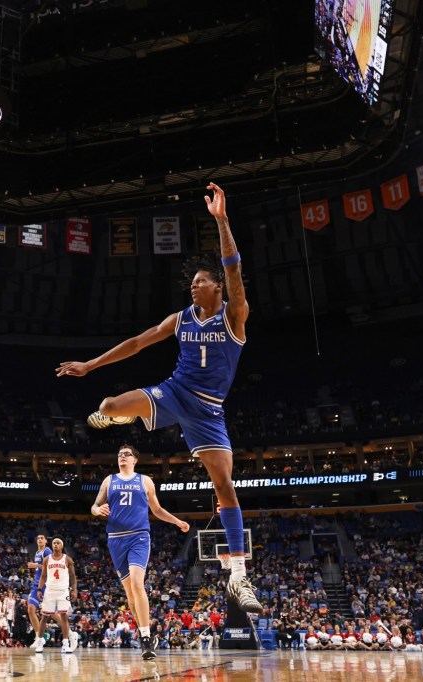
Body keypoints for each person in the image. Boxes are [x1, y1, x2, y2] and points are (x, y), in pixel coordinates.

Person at [57, 182, 261, 614]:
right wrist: (91, 366)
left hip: (208, 412)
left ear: (217, 289)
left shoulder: (235, 316)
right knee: (109, 405)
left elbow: (235, 269)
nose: (193, 286)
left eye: (201, 281)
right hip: (172, 393)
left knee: (225, 486)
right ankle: (116, 418)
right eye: (191, 281)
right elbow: (136, 342)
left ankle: (239, 578)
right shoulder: (180, 318)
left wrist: (222, 221)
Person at [91, 444, 190, 660]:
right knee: (130, 596)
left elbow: (156, 510)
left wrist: (176, 521)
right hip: (115, 540)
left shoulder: (145, 481)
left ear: (135, 459)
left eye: (126, 454)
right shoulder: (109, 480)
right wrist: (97, 510)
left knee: (137, 584)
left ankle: (145, 637)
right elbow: (94, 505)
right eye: (119, 454)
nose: (122, 457)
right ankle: (147, 633)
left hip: (139, 536)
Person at [33, 538, 78, 654]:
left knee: (64, 616)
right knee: (45, 616)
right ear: (52, 546)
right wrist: (39, 589)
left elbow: (73, 576)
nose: (56, 545)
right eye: (54, 543)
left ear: (62, 546)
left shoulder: (67, 559)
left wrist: (74, 590)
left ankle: (65, 643)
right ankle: (40, 641)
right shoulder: (47, 559)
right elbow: (43, 576)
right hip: (50, 590)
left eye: (58, 543)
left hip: (63, 591)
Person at [26, 534, 52, 651]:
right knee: (30, 609)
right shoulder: (37, 553)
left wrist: (35, 565)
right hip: (36, 585)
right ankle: (38, 637)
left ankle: (70, 634)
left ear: (46, 541)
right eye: (38, 538)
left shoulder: (47, 551)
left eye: (42, 538)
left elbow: (51, 567)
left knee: (52, 613)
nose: (40, 539)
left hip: (46, 585)